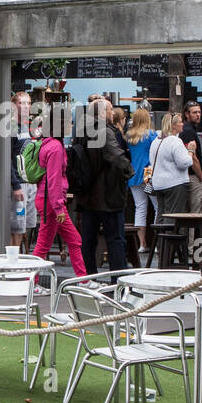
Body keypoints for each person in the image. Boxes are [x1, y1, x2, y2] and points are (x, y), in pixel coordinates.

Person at [73, 97, 133, 272]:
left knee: (88, 240)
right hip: (108, 195)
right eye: (110, 110)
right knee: (115, 240)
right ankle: (117, 282)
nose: (112, 113)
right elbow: (115, 156)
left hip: (86, 193)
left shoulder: (81, 131)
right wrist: (130, 171)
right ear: (101, 113)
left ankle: (88, 278)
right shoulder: (104, 131)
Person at [31, 127, 87, 277]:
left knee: (73, 240)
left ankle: (83, 279)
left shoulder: (48, 144)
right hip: (51, 203)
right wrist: (58, 208)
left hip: (48, 200)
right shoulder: (55, 147)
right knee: (45, 245)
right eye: (67, 122)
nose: (70, 125)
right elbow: (54, 180)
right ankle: (30, 282)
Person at [9, 92, 40, 251]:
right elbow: (7, 157)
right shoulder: (11, 127)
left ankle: (20, 257)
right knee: (16, 224)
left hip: (30, 182)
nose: (26, 106)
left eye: (28, 103)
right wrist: (15, 185)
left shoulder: (28, 127)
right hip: (18, 183)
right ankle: (12, 258)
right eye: (22, 103)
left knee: (27, 223)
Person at [125, 108, 160, 251]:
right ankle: (157, 243)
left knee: (140, 208)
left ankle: (142, 244)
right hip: (148, 174)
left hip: (133, 175)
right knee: (157, 207)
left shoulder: (129, 136)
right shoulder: (151, 135)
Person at [149, 112, 194, 219]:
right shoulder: (175, 141)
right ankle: (170, 235)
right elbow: (184, 163)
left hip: (158, 184)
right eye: (180, 122)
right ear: (173, 125)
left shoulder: (156, 141)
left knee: (160, 214)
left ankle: (160, 235)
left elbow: (151, 160)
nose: (183, 124)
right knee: (172, 216)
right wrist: (191, 151)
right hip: (174, 184)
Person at [179, 101, 202, 213]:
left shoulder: (188, 130)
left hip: (187, 176)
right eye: (194, 112)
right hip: (193, 176)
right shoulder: (188, 131)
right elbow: (192, 157)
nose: (198, 115)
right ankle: (194, 231)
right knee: (197, 211)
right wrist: (201, 177)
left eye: (199, 112)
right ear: (187, 114)